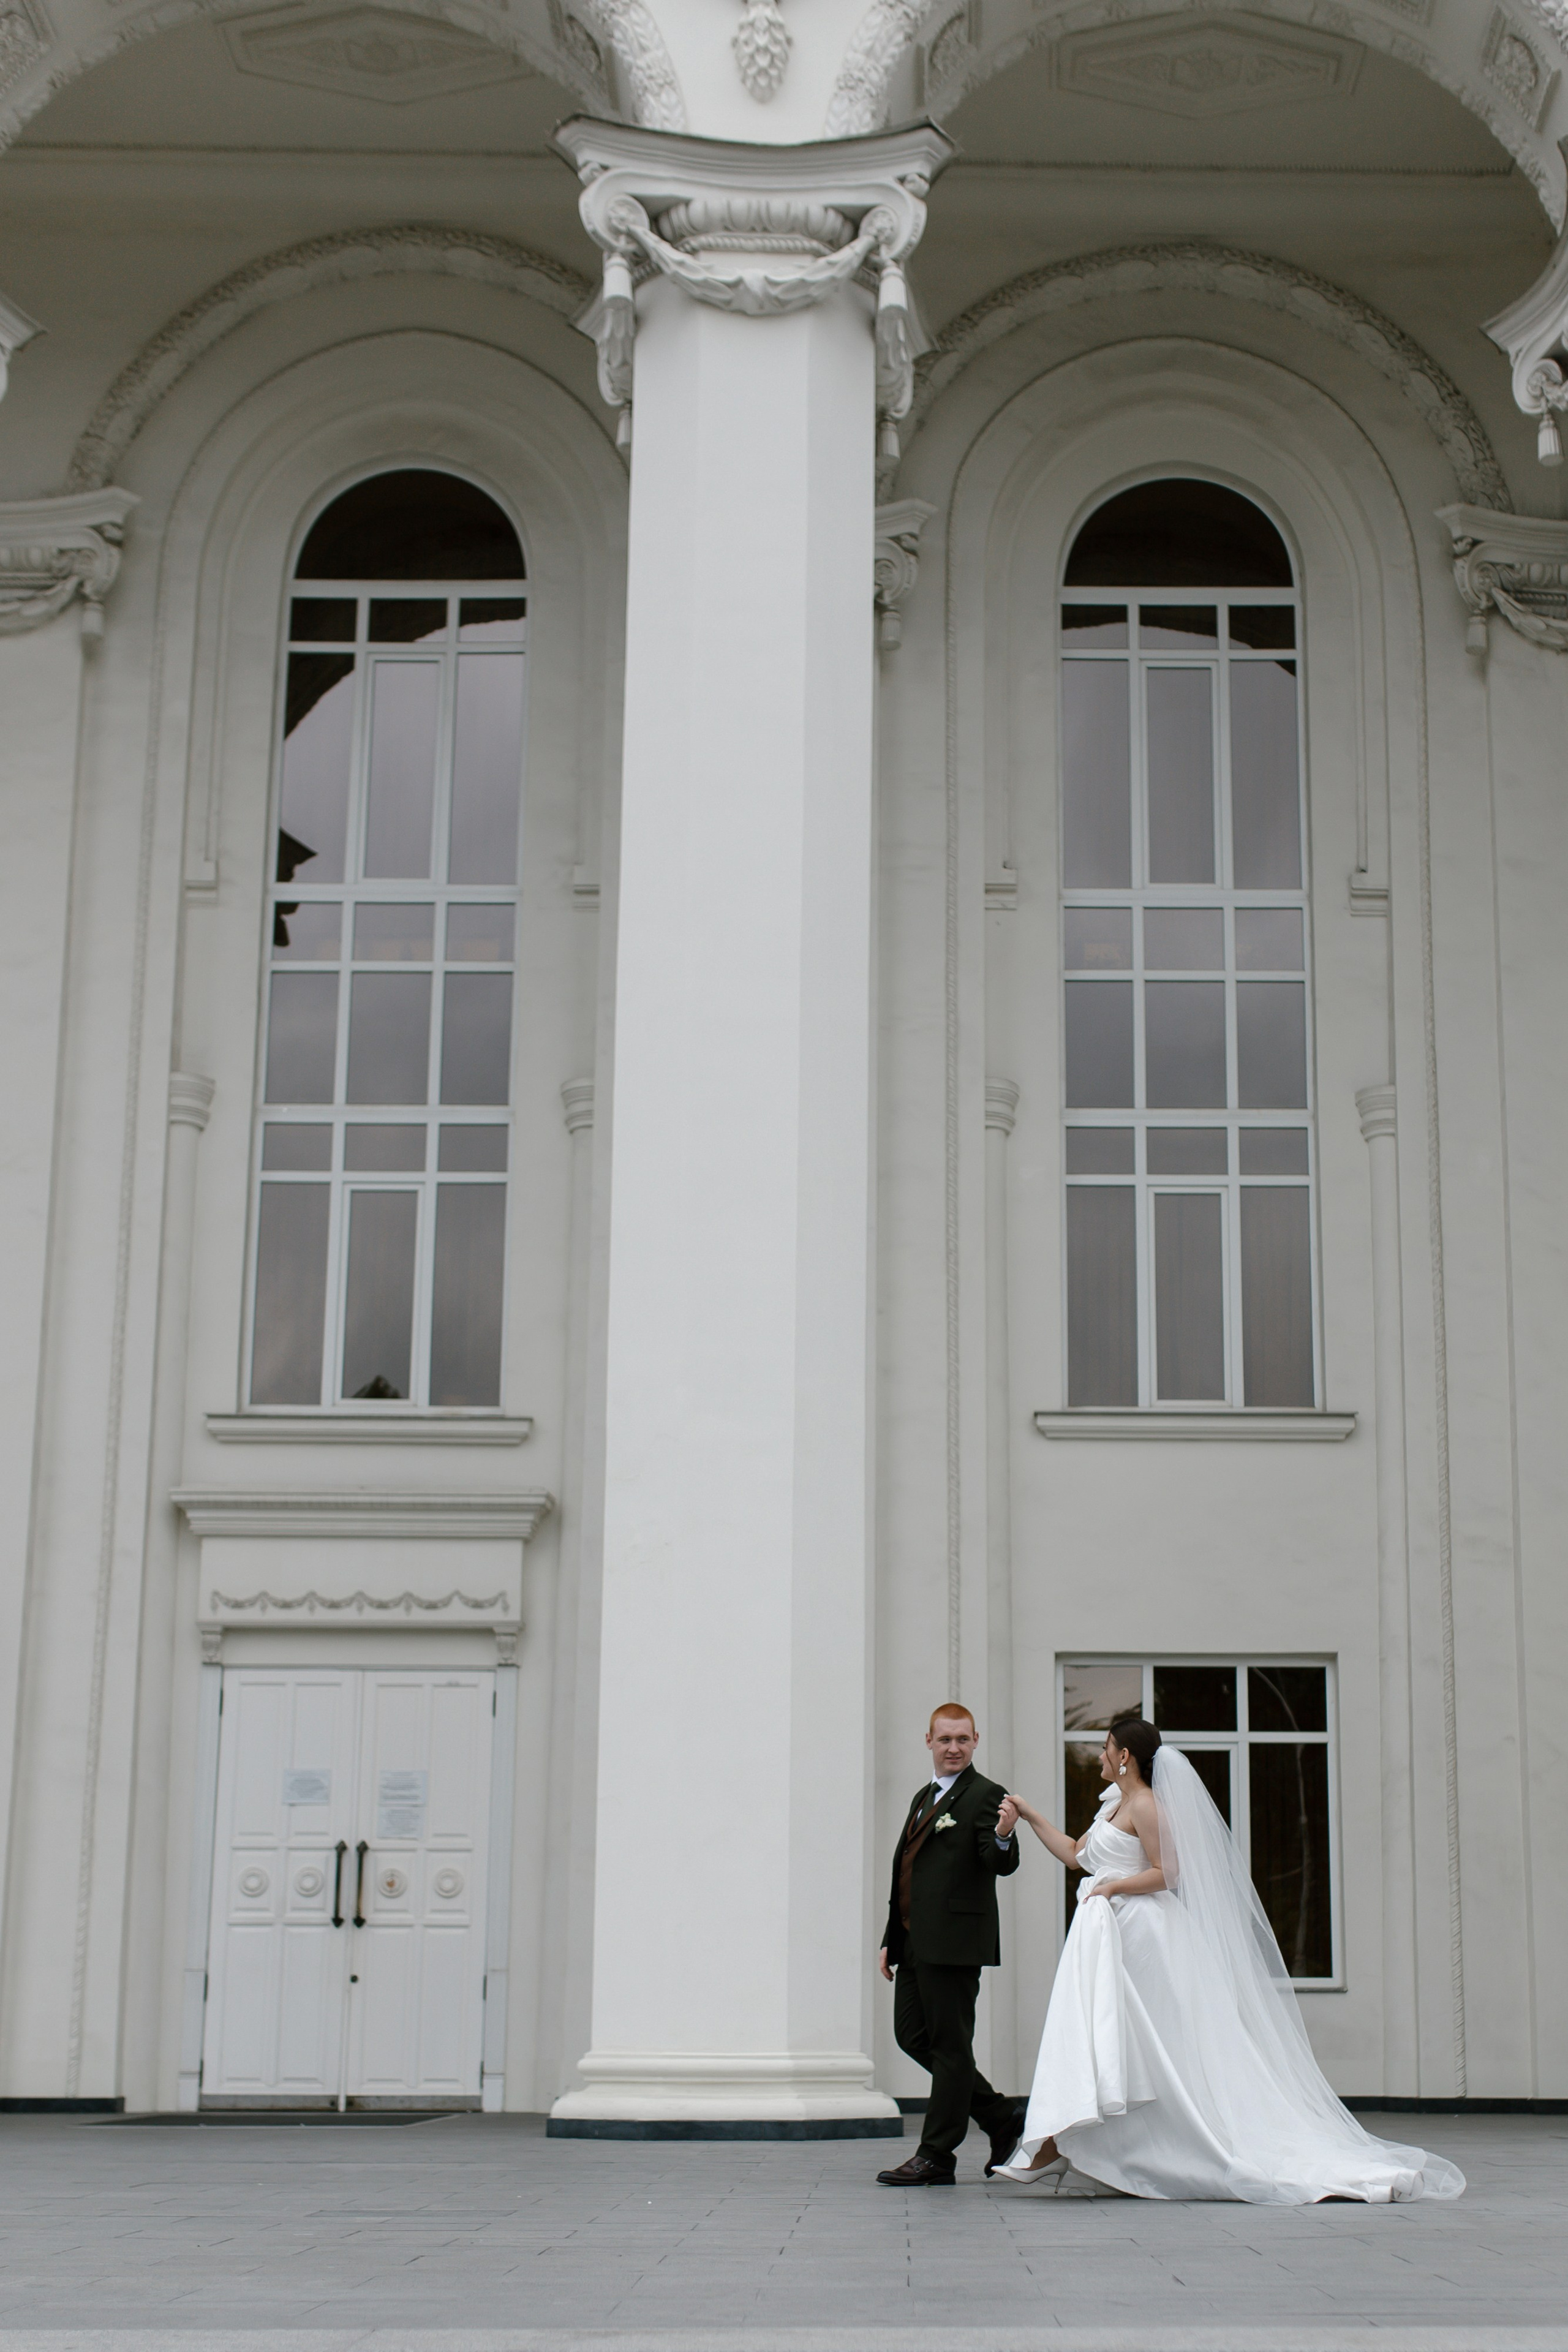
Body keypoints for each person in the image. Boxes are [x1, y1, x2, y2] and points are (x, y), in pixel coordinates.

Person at [992, 1714, 1464, 2205]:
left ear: (1126, 1757)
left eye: (1107, 1748)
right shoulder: (1114, 1805)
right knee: (1115, 2040)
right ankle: (1079, 2145)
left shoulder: (1148, 1806)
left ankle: (1088, 2145)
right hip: (1108, 1938)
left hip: (1141, 1937)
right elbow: (1074, 1855)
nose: (1101, 1756)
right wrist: (1027, 1815)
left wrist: (1114, 1887)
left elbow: (1168, 1874)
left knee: (1153, 2044)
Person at [874, 1703, 1024, 2187]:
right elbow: (908, 1869)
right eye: (945, 1740)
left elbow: (999, 1861)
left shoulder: (987, 1795)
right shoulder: (923, 1796)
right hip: (915, 1942)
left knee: (951, 2047)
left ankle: (937, 2154)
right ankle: (1002, 2119)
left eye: (963, 1739)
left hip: (956, 1943)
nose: (954, 1748)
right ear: (929, 1742)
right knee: (912, 2037)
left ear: (976, 1741)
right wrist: (891, 1938)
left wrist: (1003, 1835)